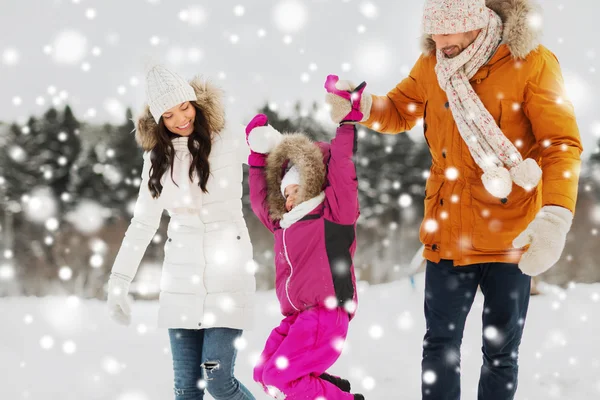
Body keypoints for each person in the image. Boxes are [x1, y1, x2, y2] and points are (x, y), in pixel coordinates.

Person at [325, 0, 582, 399]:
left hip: (510, 237)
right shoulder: (433, 64)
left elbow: (561, 144)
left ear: (476, 23)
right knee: (439, 347)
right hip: (447, 237)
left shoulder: (531, 63)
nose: (437, 40)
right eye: (432, 30)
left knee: (501, 353)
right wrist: (361, 106)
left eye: (447, 31)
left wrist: (555, 216)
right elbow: (398, 110)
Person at [106, 64, 256, 400]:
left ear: (196, 103)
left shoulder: (228, 137)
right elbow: (142, 224)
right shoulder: (157, 159)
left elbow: (273, 160)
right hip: (180, 282)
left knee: (218, 381)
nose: (180, 119)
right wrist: (119, 282)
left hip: (228, 276)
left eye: (185, 108)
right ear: (159, 121)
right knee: (186, 391)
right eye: (169, 115)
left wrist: (273, 142)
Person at [244, 78, 367, 400]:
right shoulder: (285, 224)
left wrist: (347, 122)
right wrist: (258, 160)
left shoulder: (333, 215)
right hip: (298, 316)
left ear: (311, 186)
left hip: (326, 314)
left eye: (295, 190)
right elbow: (260, 202)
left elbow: (342, 167)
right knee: (263, 372)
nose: (288, 200)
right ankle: (330, 388)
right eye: (285, 194)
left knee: (280, 377)